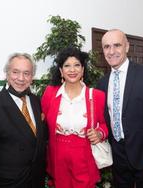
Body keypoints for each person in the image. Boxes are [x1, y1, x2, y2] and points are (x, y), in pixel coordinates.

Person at [96, 29, 143, 188]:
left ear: (127, 47)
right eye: (107, 47)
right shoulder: (102, 83)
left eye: (117, 45)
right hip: (118, 157)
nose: (112, 51)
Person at [0, 53, 48, 188]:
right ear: (7, 73)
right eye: (15, 72)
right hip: (9, 183)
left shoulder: (36, 101)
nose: (21, 78)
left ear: (32, 77)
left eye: (27, 73)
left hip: (36, 180)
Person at [41, 47, 109, 188]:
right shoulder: (50, 94)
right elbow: (41, 123)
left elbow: (104, 124)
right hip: (57, 158)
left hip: (84, 157)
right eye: (67, 65)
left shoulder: (96, 96)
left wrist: (100, 134)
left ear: (83, 69)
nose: (72, 70)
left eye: (77, 65)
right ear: (61, 71)